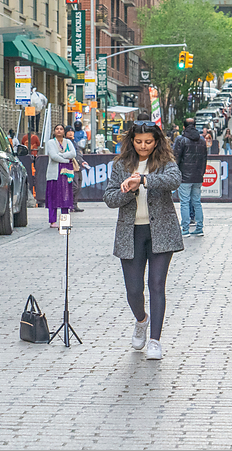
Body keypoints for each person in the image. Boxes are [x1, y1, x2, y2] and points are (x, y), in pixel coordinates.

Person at [103, 114, 183, 360]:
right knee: (133, 289)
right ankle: (141, 320)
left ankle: (155, 341)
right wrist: (128, 189)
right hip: (131, 232)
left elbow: (174, 180)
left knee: (157, 285)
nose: (143, 146)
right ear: (132, 141)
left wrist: (145, 179)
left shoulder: (165, 161)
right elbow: (109, 198)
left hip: (161, 232)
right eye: (139, 141)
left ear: (157, 141)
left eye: (148, 141)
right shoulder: (120, 165)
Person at [172, 118, 207, 237]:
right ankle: (199, 228)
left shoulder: (181, 139)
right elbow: (204, 158)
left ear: (183, 127)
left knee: (184, 202)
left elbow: (175, 157)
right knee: (197, 202)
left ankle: (185, 229)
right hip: (198, 176)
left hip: (185, 176)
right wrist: (202, 173)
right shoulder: (202, 140)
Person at [44, 123, 76, 228]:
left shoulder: (68, 142)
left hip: (65, 174)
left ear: (64, 132)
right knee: (53, 198)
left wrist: (61, 155)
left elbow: (73, 153)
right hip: (54, 174)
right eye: (57, 129)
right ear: (54, 131)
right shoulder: (50, 143)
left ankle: (65, 220)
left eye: (61, 129)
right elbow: (53, 156)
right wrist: (67, 160)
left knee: (65, 197)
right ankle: (52, 221)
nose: (59, 130)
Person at [70, 131, 90, 213]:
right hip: (72, 166)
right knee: (74, 186)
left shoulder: (75, 143)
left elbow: (78, 154)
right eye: (69, 132)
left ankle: (74, 205)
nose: (71, 134)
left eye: (72, 132)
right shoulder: (66, 142)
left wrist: (81, 161)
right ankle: (68, 203)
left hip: (78, 166)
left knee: (78, 186)